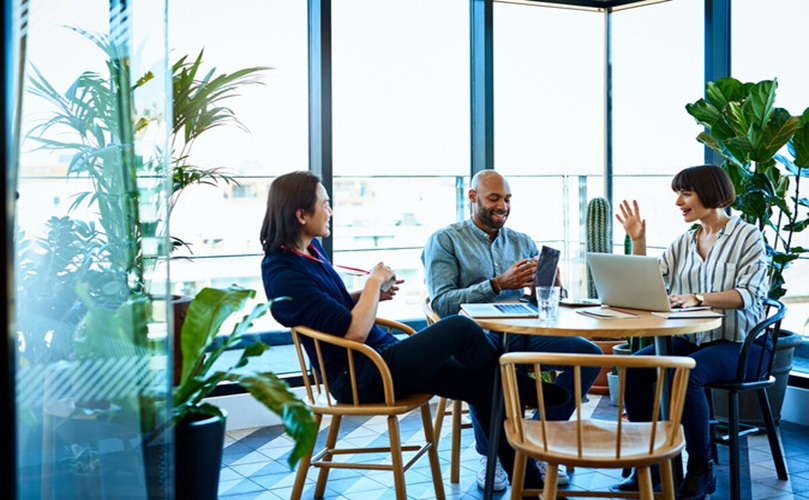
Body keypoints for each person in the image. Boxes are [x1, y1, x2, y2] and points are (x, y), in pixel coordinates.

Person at [259, 171, 569, 491]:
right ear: (301, 215)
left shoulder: (310, 252)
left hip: (381, 357)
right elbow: (353, 334)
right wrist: (371, 284)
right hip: (358, 375)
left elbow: (330, 307)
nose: (331, 211)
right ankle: (518, 386)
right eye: (325, 204)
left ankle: (529, 487)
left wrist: (370, 296)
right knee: (460, 327)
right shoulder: (283, 271)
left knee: (487, 390)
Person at [421, 169, 602, 490]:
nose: (502, 205)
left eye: (506, 199)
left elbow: (543, 301)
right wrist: (496, 284)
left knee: (589, 354)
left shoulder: (522, 241)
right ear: (473, 197)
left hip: (523, 332)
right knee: (484, 366)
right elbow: (442, 304)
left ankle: (538, 440)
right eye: (494, 198)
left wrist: (552, 288)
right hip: (474, 338)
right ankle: (492, 455)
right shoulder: (445, 240)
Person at [613, 165, 769, 500]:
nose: (678, 202)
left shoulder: (748, 237)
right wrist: (637, 240)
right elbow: (650, 281)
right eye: (678, 194)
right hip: (694, 340)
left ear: (710, 194)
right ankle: (652, 467)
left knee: (686, 374)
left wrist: (698, 297)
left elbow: (750, 294)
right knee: (637, 368)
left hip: (741, 345)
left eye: (686, 193)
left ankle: (702, 467)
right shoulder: (684, 242)